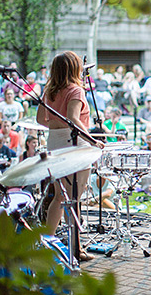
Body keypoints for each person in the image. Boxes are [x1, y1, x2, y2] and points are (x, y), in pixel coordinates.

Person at [36, 51, 103, 262]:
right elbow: (74, 118)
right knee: (74, 197)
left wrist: (57, 128)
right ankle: (76, 248)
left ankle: (49, 243)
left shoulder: (49, 91)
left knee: (60, 196)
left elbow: (40, 119)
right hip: (74, 143)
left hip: (54, 141)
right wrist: (92, 140)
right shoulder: (75, 90)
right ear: (74, 69)